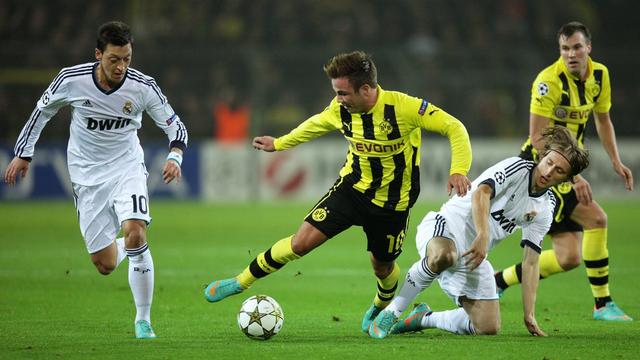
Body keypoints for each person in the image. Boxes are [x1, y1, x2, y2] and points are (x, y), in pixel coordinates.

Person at [203, 50, 473, 333]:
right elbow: (314, 125)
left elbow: (454, 127)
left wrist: (458, 169)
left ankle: (381, 304)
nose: (338, 99)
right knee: (300, 243)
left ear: (366, 89)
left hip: (393, 203)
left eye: (343, 93)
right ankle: (240, 281)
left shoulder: (404, 108)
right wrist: (280, 143)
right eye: (337, 93)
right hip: (351, 190)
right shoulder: (340, 109)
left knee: (382, 266)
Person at [3, 21, 189, 339]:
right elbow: (40, 113)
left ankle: (142, 320)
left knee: (135, 231)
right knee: (104, 264)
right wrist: (24, 153)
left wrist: (175, 156)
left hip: (127, 167)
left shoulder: (143, 86)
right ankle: (126, 245)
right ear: (98, 54)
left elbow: (176, 127)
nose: (121, 67)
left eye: (127, 59)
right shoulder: (71, 80)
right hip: (86, 176)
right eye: (114, 59)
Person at [368, 126, 590, 339]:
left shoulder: (545, 206)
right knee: (444, 255)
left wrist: (529, 313)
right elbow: (481, 193)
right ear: (542, 157)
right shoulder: (517, 168)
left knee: (487, 326)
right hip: (445, 227)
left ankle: (423, 319)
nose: (549, 171)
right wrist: (483, 234)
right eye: (549, 162)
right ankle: (393, 312)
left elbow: (531, 262)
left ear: (567, 179)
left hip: (473, 254)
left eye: (559, 170)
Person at [493, 22, 633, 321]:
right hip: (543, 169)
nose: (571, 54)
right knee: (596, 218)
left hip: (566, 171)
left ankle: (498, 280)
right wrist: (573, 176)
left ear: (588, 48)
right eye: (565, 48)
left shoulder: (600, 75)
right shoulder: (547, 81)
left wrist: (615, 161)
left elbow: (603, 120)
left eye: (577, 47)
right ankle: (602, 304)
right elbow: (538, 137)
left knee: (569, 257)